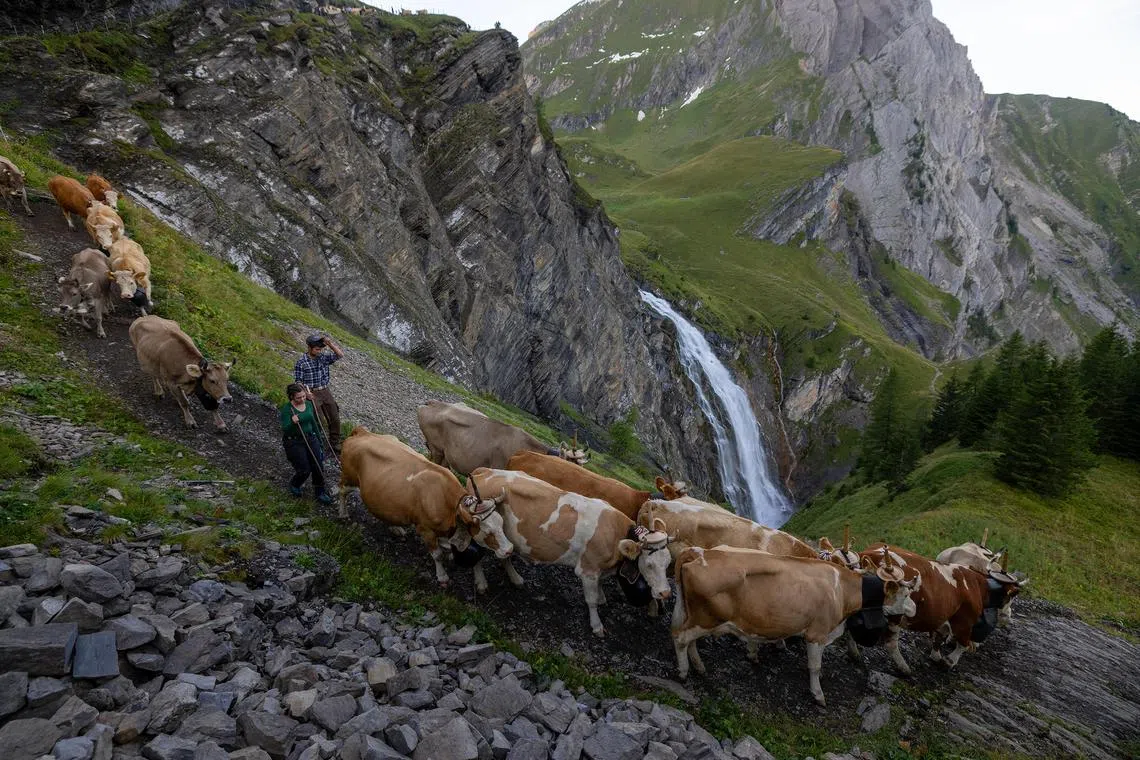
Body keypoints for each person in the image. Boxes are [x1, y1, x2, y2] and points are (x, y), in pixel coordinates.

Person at [280, 382, 331, 504]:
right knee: (304, 469)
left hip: (310, 438)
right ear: (292, 397)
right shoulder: (287, 409)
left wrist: (320, 441)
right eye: (299, 397)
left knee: (318, 465)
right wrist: (292, 422)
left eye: (303, 396)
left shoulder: (308, 404)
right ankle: (295, 484)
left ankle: (320, 491)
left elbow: (313, 423)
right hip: (294, 441)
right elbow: (285, 429)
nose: (302, 399)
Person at [293, 333, 345, 453]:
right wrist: (306, 393)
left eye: (320, 349)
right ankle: (315, 442)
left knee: (334, 417)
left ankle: (334, 443)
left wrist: (329, 343)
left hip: (325, 390)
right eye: (316, 349)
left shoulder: (322, 357)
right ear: (309, 348)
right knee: (318, 420)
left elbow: (340, 355)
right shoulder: (301, 362)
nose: (319, 351)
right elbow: (298, 381)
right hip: (311, 393)